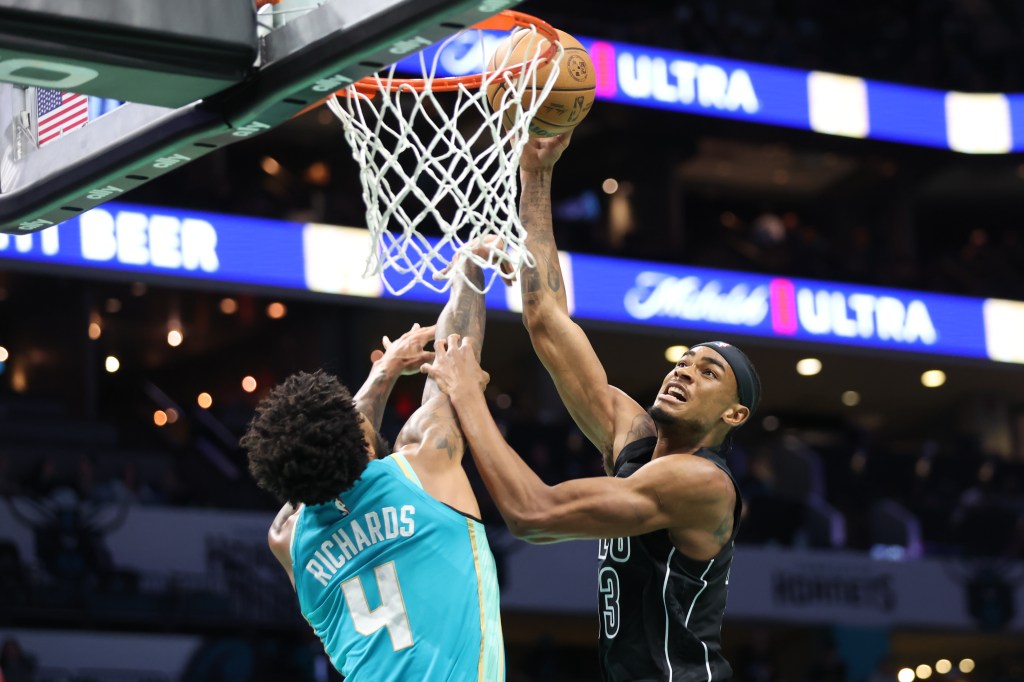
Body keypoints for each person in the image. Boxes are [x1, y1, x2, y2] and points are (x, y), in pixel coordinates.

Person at [420, 133, 761, 681]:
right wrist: (536, 173)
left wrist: (466, 394)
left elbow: (533, 515)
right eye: (685, 360)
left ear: (734, 415)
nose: (683, 371)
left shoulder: (702, 484)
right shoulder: (633, 434)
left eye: (708, 372)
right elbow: (546, 319)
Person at [240, 253, 504, 681]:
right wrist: (468, 269)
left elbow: (319, 444)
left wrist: (384, 370)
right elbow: (457, 355)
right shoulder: (424, 462)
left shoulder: (288, 540)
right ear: (360, 439)